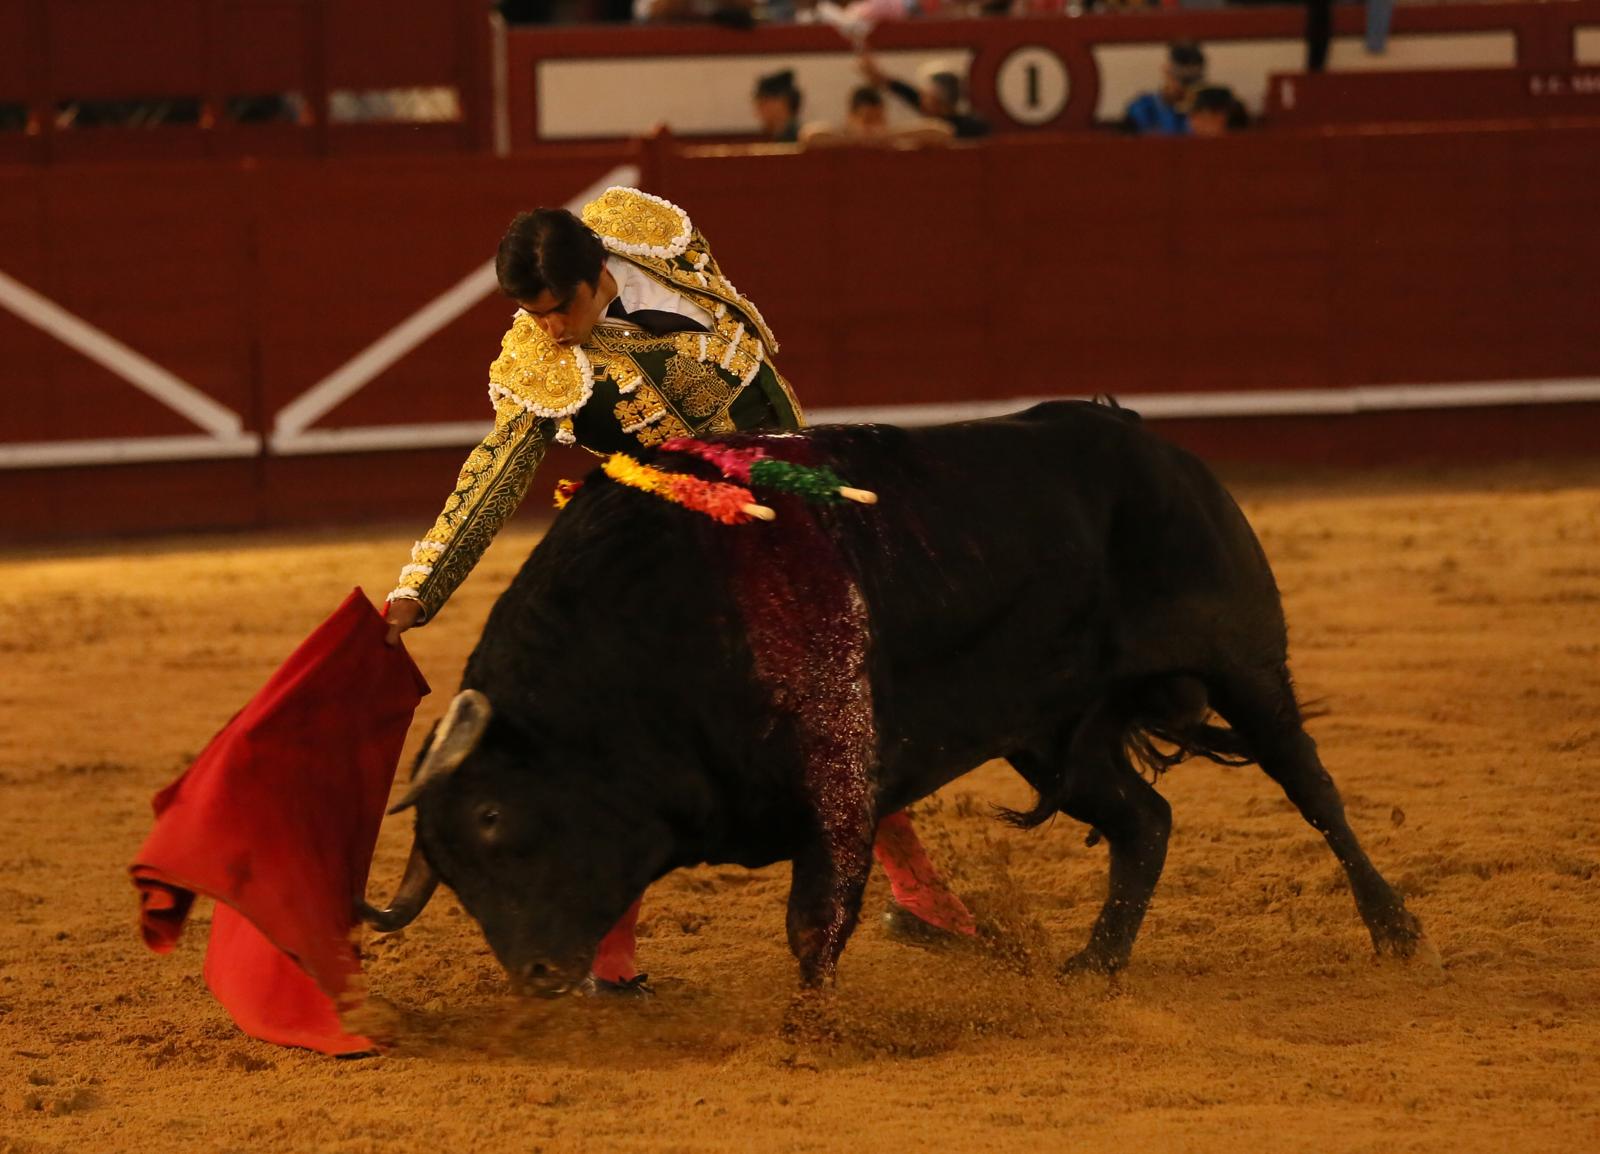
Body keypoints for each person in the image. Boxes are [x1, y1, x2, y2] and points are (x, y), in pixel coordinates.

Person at [385, 186, 977, 991]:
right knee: (635, 733)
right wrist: (422, 586)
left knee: (831, 707)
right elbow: (493, 475)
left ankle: (922, 894)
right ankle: (611, 955)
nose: (548, 329)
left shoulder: (650, 236)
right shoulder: (541, 359)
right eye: (533, 315)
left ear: (599, 271)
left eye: (559, 309)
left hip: (775, 497)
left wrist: (800, 489)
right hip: (651, 545)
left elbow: (755, 372)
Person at [858, 53, 990, 139]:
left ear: (939, 98)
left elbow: (940, 130)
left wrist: (878, 134)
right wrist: (878, 76)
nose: (921, 98)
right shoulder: (933, 111)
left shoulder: (970, 125)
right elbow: (905, 91)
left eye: (927, 95)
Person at [1122, 41, 1206, 136]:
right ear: (1166, 70)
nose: (1185, 87)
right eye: (1180, 78)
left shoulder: (1206, 111)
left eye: (1192, 81)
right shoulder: (1143, 108)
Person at [753, 69, 803, 143]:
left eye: (762, 103)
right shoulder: (778, 136)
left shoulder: (799, 139)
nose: (757, 111)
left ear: (781, 103)